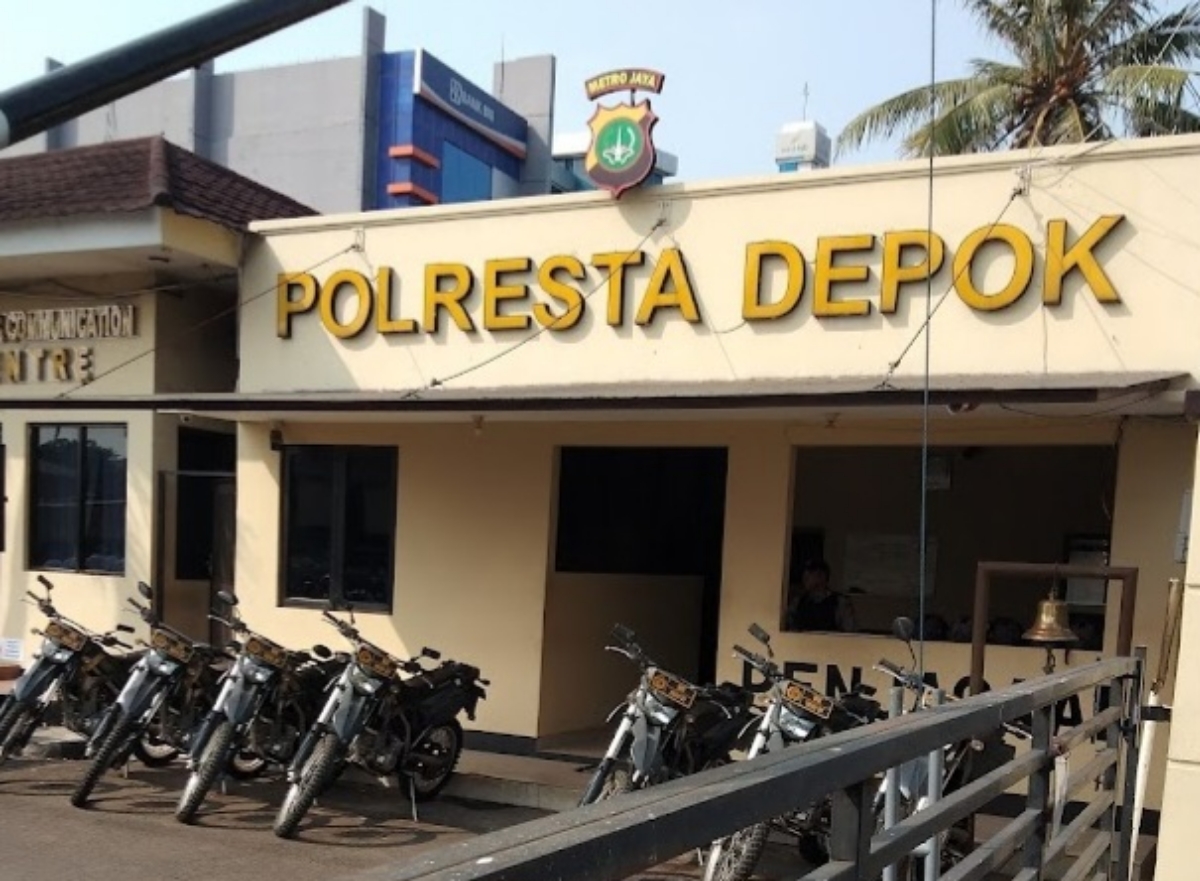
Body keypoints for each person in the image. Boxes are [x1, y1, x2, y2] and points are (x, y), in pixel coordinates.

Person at [785, 558, 855, 632]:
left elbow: (848, 632)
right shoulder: (798, 602)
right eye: (804, 576)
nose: (804, 579)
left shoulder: (840, 602)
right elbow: (789, 627)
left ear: (821, 576)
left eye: (808, 576)